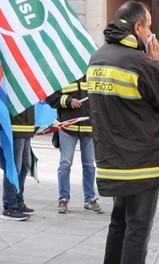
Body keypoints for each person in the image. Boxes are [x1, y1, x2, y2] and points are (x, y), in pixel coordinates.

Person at [87, 0, 159, 264]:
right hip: (141, 163)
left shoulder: (99, 56)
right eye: (149, 26)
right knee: (138, 228)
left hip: (112, 160)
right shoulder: (138, 61)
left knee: (119, 224)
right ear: (138, 26)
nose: (151, 33)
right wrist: (155, 64)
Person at [46, 76, 103, 214]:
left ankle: (90, 199)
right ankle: (63, 199)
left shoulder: (93, 74)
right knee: (65, 164)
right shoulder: (64, 73)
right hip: (68, 127)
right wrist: (68, 101)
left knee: (89, 164)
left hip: (89, 128)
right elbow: (50, 97)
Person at [0, 107, 35, 221]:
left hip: (27, 127)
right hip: (16, 126)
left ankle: (18, 200)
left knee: (25, 166)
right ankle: (10, 205)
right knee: (14, 167)